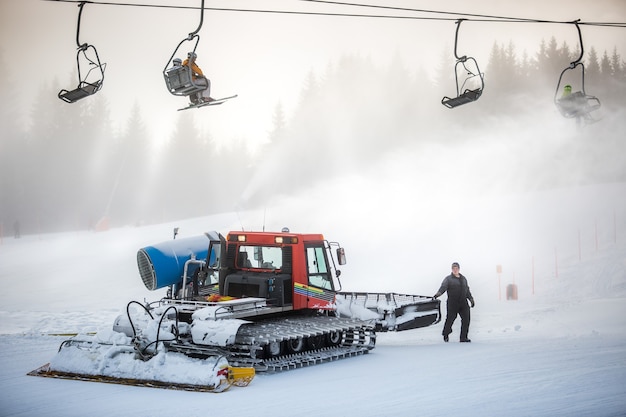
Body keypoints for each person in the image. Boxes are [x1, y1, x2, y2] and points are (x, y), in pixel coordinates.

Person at [434, 262, 475, 343]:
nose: (455, 270)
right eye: (453, 268)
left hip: (463, 303)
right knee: (450, 319)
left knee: (466, 320)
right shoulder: (448, 279)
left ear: (459, 269)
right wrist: (438, 294)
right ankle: (446, 333)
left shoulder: (463, 279)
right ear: (452, 269)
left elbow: (467, 290)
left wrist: (471, 299)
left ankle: (463, 337)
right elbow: (443, 288)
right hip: (452, 303)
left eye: (456, 268)